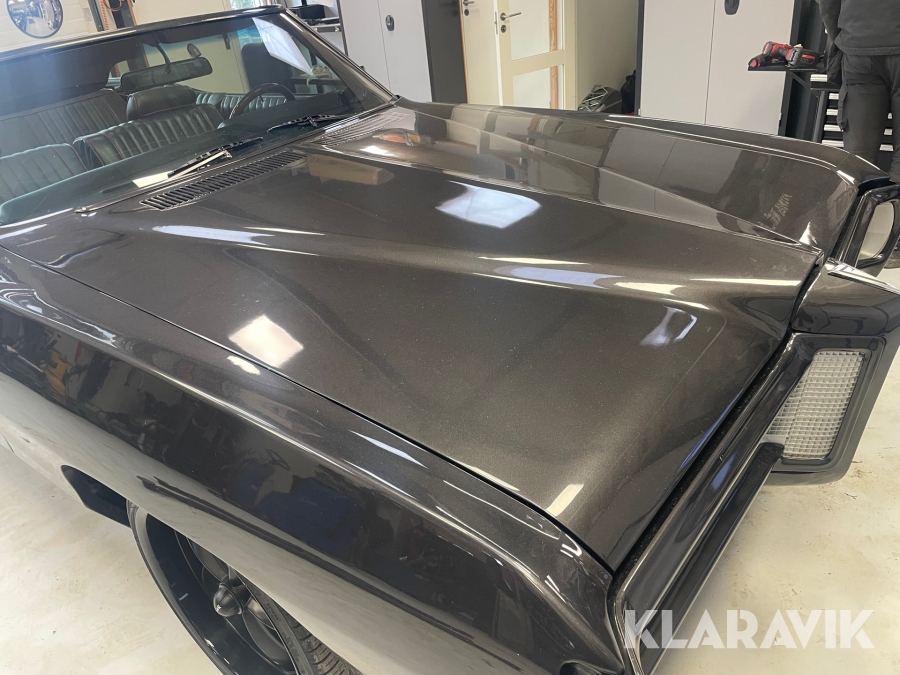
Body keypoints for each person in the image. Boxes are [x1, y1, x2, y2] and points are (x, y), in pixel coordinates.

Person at [819, 0, 900, 181]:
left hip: (858, 46)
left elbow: (828, 4)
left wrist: (844, 36)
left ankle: (860, 196)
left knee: (858, 160)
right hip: (860, 44)